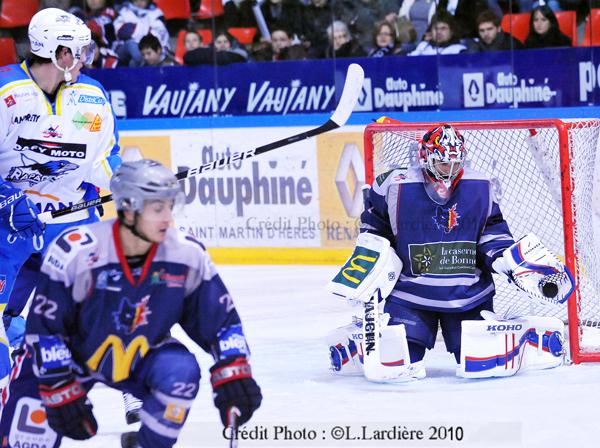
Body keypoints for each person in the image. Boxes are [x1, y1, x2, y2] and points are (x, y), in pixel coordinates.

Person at [0, 159, 262, 447]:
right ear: (129, 208)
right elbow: (45, 330)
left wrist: (234, 369)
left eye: (169, 207)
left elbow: (222, 324)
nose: (167, 218)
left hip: (139, 351)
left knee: (179, 370)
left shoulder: (186, 255)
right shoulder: (75, 250)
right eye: (156, 208)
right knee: (25, 439)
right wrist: (58, 387)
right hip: (69, 356)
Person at [0, 8, 122, 384]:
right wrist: (6, 199)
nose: (85, 58)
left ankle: (130, 384)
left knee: (106, 305)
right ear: (59, 53)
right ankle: (9, 385)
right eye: (79, 50)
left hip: (70, 222)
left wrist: (130, 181)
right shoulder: (6, 93)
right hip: (10, 229)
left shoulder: (92, 96)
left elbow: (104, 161)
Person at [334, 124, 515, 374]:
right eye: (443, 164)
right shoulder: (392, 185)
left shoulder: (481, 184)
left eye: (455, 163)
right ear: (426, 157)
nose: (450, 171)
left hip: (468, 295)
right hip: (410, 296)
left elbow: (491, 229)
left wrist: (502, 257)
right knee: (399, 362)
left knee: (481, 365)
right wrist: (367, 269)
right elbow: (374, 232)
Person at [113, 0, 170, 66]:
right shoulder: (124, 11)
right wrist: (146, 29)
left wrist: (135, 28)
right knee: (132, 46)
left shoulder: (156, 12)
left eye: (142, 0)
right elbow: (122, 32)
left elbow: (160, 33)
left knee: (136, 60)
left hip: (145, 48)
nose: (139, 2)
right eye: (136, 0)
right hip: (124, 49)